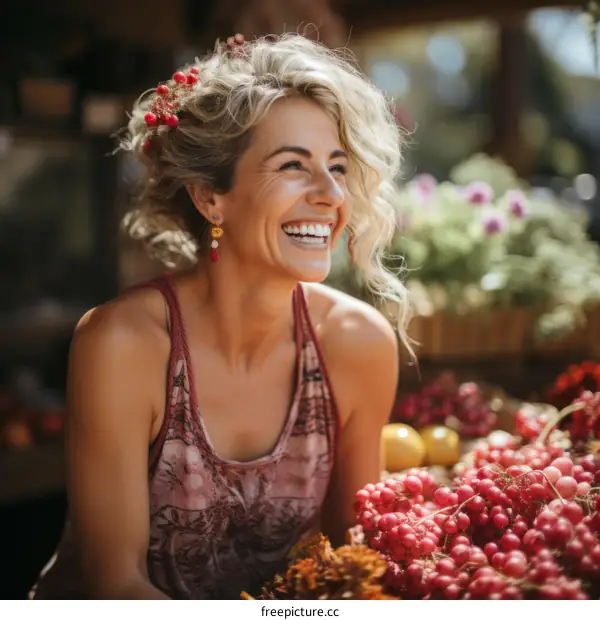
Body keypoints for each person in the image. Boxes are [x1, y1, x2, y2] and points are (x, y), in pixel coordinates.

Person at [30, 32, 412, 600]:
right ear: (211, 197)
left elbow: (352, 557)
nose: (332, 194)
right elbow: (114, 584)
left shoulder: (357, 344)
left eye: (337, 166)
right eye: (293, 165)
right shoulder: (123, 344)